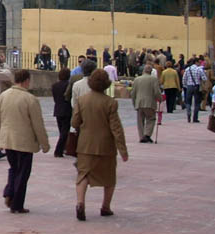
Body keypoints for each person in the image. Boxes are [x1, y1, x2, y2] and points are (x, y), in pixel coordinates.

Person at [72, 68, 128, 222]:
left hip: (85, 144)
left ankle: (80, 203)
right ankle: (105, 206)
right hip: (105, 146)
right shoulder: (110, 103)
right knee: (109, 178)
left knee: (83, 175)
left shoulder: (82, 100)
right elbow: (116, 128)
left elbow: (74, 122)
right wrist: (123, 150)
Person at [0, 69, 49, 213]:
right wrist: (44, 143)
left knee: (14, 168)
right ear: (26, 80)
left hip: (7, 139)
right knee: (23, 172)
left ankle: (9, 192)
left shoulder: (3, 96)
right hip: (24, 141)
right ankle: (17, 203)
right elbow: (38, 124)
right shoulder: (30, 99)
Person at [130, 64, 160, 143]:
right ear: (151, 71)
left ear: (143, 70)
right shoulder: (154, 79)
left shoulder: (137, 79)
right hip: (150, 103)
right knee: (151, 118)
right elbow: (157, 92)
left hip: (139, 103)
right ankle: (147, 134)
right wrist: (160, 99)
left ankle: (141, 136)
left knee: (140, 121)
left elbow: (133, 93)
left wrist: (134, 103)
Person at [52, 67, 73, 157]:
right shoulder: (69, 85)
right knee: (65, 131)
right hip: (67, 110)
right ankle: (59, 150)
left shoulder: (55, 85)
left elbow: (55, 97)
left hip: (57, 109)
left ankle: (63, 148)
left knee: (61, 130)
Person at [182, 59, 206, 123]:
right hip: (197, 86)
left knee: (188, 101)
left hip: (189, 86)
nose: (200, 64)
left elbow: (184, 78)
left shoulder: (187, 69)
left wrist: (185, 85)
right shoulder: (199, 69)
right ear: (196, 62)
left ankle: (188, 112)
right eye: (199, 62)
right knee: (197, 102)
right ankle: (195, 118)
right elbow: (204, 78)